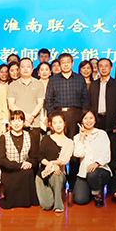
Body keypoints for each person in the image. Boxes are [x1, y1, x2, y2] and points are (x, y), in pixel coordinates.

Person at [44, 52, 89, 192]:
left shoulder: (79, 79)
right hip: (59, 116)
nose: (65, 65)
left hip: (76, 115)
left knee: (74, 148)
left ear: (72, 63)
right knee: (59, 147)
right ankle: (59, 180)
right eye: (62, 62)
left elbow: (85, 100)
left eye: (68, 62)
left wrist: (83, 119)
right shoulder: (53, 79)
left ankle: (73, 183)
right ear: (59, 64)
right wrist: (52, 118)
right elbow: (49, 100)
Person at [0, 110, 40, 209]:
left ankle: (26, 201)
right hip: (9, 170)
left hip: (25, 170)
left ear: (24, 122)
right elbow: (2, 160)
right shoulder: (4, 137)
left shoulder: (30, 136)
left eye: (19, 120)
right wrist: (19, 165)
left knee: (28, 172)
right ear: (10, 122)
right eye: (13, 120)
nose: (16, 123)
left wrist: (29, 163)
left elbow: (35, 156)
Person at [72, 108, 111, 207]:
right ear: (82, 121)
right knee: (79, 199)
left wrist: (96, 163)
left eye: (91, 118)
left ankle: (97, 195)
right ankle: (91, 189)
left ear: (95, 120)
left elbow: (106, 154)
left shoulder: (102, 134)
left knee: (92, 174)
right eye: (85, 118)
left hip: (100, 171)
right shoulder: (77, 137)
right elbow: (78, 154)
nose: (88, 121)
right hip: (84, 173)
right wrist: (82, 137)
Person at [36, 111, 74, 212]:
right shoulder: (46, 139)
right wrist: (50, 165)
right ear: (51, 125)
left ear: (64, 123)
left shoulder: (69, 142)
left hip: (59, 174)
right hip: (43, 175)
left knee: (56, 173)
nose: (58, 125)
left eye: (60, 122)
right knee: (47, 206)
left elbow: (65, 160)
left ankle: (58, 205)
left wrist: (54, 164)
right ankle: (51, 193)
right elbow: (40, 157)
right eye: (55, 123)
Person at [7, 58, 45, 136]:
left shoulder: (39, 84)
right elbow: (11, 105)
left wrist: (31, 117)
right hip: (17, 124)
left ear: (32, 69)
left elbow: (40, 104)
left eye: (28, 66)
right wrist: (25, 116)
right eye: (23, 66)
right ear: (19, 69)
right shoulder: (12, 85)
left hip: (34, 124)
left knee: (34, 144)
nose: (25, 69)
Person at [88, 58, 116, 133]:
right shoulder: (93, 84)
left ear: (111, 68)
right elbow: (89, 104)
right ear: (98, 68)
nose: (103, 68)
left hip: (111, 121)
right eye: (101, 66)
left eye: (106, 66)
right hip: (96, 120)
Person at [37, 62, 52, 131]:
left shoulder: (53, 84)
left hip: (51, 114)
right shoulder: (35, 84)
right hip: (38, 115)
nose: (44, 72)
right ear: (38, 72)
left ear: (50, 72)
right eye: (42, 70)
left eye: (46, 69)